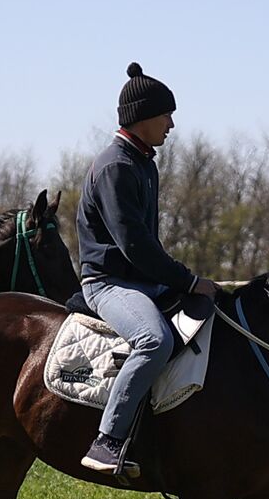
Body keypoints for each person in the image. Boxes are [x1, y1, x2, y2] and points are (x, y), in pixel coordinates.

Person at [76, 63, 220, 476]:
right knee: (154, 341)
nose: (171, 124)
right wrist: (190, 279)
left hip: (142, 282)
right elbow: (136, 247)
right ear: (141, 117)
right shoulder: (116, 167)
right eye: (165, 115)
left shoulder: (143, 162)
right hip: (108, 284)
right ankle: (108, 440)